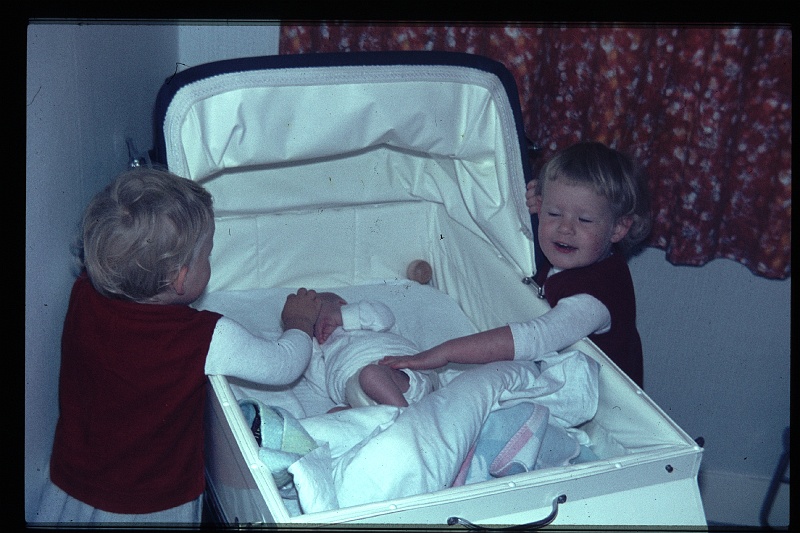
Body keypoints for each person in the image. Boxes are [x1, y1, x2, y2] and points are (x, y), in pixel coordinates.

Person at [39, 168, 321, 525]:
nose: (210, 263)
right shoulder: (201, 336)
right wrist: (299, 322)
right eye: (207, 255)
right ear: (180, 278)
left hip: (74, 481)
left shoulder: (84, 294)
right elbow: (284, 365)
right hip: (151, 502)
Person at [382, 141, 651, 387]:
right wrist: (537, 203)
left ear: (618, 228)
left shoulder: (596, 296)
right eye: (554, 213)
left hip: (599, 401)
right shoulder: (581, 252)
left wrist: (445, 352)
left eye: (584, 220)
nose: (565, 228)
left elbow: (534, 337)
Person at [305, 292, 438, 409]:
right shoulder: (323, 348)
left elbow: (385, 317)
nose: (315, 322)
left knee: (370, 374)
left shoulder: (363, 320)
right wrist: (305, 338)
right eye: (311, 322)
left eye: (317, 312)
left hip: (399, 372)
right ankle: (392, 416)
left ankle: (406, 417)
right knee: (334, 415)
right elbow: (322, 384)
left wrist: (343, 316)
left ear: (341, 304)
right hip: (358, 396)